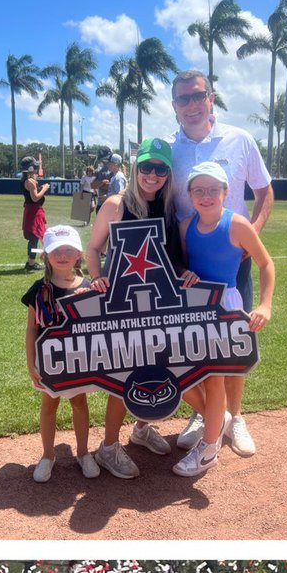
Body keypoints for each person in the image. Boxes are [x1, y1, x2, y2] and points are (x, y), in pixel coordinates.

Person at [169, 70, 273, 457]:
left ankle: (237, 416)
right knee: (195, 344)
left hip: (232, 258)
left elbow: (264, 191)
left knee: (236, 339)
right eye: (183, 99)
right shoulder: (169, 148)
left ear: (211, 98)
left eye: (198, 96)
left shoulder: (239, 139)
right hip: (190, 266)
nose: (192, 105)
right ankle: (206, 415)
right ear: (174, 106)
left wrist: (253, 235)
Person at [86, 137, 187, 477]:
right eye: (146, 167)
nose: (152, 175)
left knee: (157, 370)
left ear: (167, 173)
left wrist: (184, 272)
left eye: (160, 168)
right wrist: (97, 277)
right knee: (123, 376)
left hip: (158, 305)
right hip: (122, 307)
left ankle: (142, 429)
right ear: (136, 168)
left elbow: (171, 260)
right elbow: (93, 250)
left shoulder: (170, 207)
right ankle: (108, 448)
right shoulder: (116, 204)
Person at [171, 161, 275, 479]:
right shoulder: (185, 227)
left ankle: (208, 448)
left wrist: (265, 305)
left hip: (225, 308)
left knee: (214, 378)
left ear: (226, 193)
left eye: (213, 190)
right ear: (189, 194)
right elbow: (180, 266)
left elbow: (266, 264)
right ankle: (215, 420)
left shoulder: (237, 225)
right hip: (193, 308)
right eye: (199, 190)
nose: (206, 196)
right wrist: (182, 273)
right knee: (187, 376)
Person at [23, 224, 99, 483]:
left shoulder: (88, 286)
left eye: (69, 250)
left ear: (78, 253)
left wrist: (88, 298)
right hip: (50, 361)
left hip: (78, 360)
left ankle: (83, 452)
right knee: (49, 405)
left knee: (79, 402)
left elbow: (98, 325)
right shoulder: (39, 289)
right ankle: (48, 455)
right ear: (45, 255)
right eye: (57, 250)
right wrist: (31, 363)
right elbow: (32, 329)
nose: (63, 255)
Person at [21, 155, 50, 269]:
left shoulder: (28, 180)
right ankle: (31, 263)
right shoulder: (30, 181)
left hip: (32, 210)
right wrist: (44, 189)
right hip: (34, 212)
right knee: (34, 237)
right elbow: (35, 198)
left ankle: (31, 261)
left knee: (35, 237)